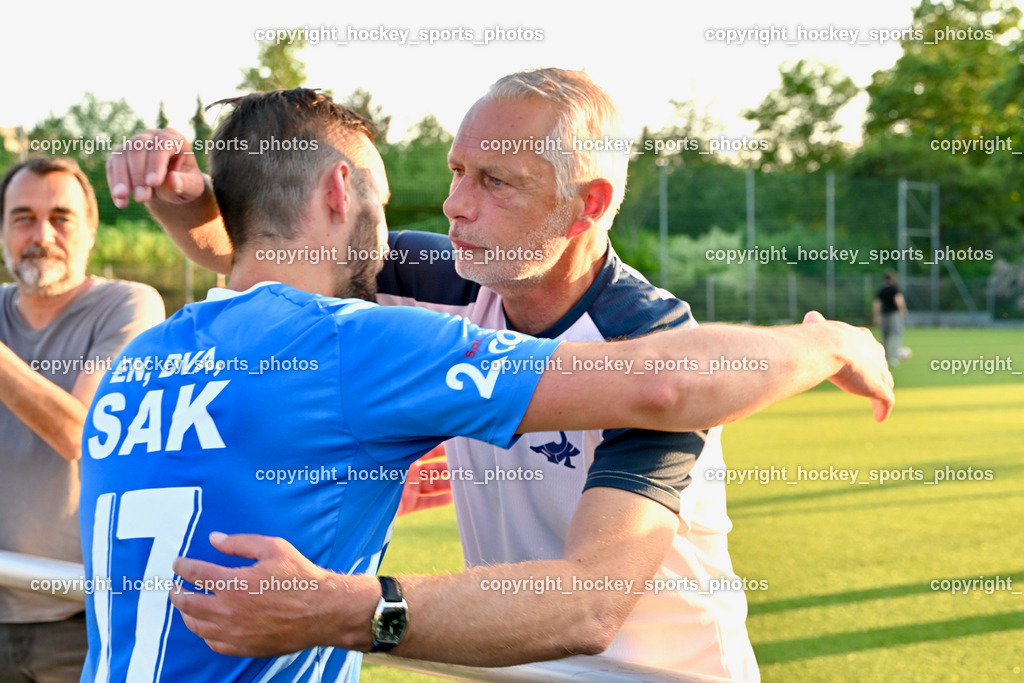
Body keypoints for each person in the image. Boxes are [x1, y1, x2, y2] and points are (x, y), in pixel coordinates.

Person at [101, 86, 892, 682]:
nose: (452, 206)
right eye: (454, 171)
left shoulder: (656, 346)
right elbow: (282, 263)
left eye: (493, 181)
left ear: (588, 205)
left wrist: (832, 341)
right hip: (511, 658)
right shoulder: (436, 279)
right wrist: (193, 198)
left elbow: (589, 604)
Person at [0, 157, 164, 683]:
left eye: (62, 217)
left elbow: (81, 433)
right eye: (22, 217)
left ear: (91, 231)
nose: (41, 234)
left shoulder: (128, 306)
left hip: (80, 615)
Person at [873, 270, 908, 367]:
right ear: (892, 278)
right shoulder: (895, 288)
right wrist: (903, 310)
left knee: (885, 337)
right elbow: (898, 299)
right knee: (896, 335)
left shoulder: (882, 290)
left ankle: (884, 358)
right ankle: (894, 358)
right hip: (894, 314)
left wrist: (876, 316)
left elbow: (877, 303)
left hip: (884, 315)